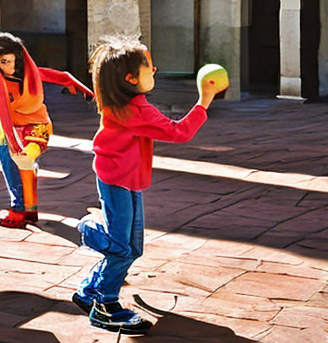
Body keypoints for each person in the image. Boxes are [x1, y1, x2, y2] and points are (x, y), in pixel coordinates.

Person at [72, 35, 227, 334]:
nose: (155, 71)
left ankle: (89, 291)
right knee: (122, 248)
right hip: (118, 181)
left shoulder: (128, 104)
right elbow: (179, 132)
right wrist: (204, 100)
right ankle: (105, 303)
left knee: (133, 248)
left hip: (124, 179)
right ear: (130, 79)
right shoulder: (136, 111)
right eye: (150, 67)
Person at [0, 31, 94, 228]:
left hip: (35, 127)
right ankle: (26, 209)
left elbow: (63, 77)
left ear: (18, 59)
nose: (6, 66)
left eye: (8, 61)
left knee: (24, 161)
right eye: (0, 62)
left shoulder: (31, 74)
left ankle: (19, 210)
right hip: (8, 130)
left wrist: (86, 91)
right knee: (11, 163)